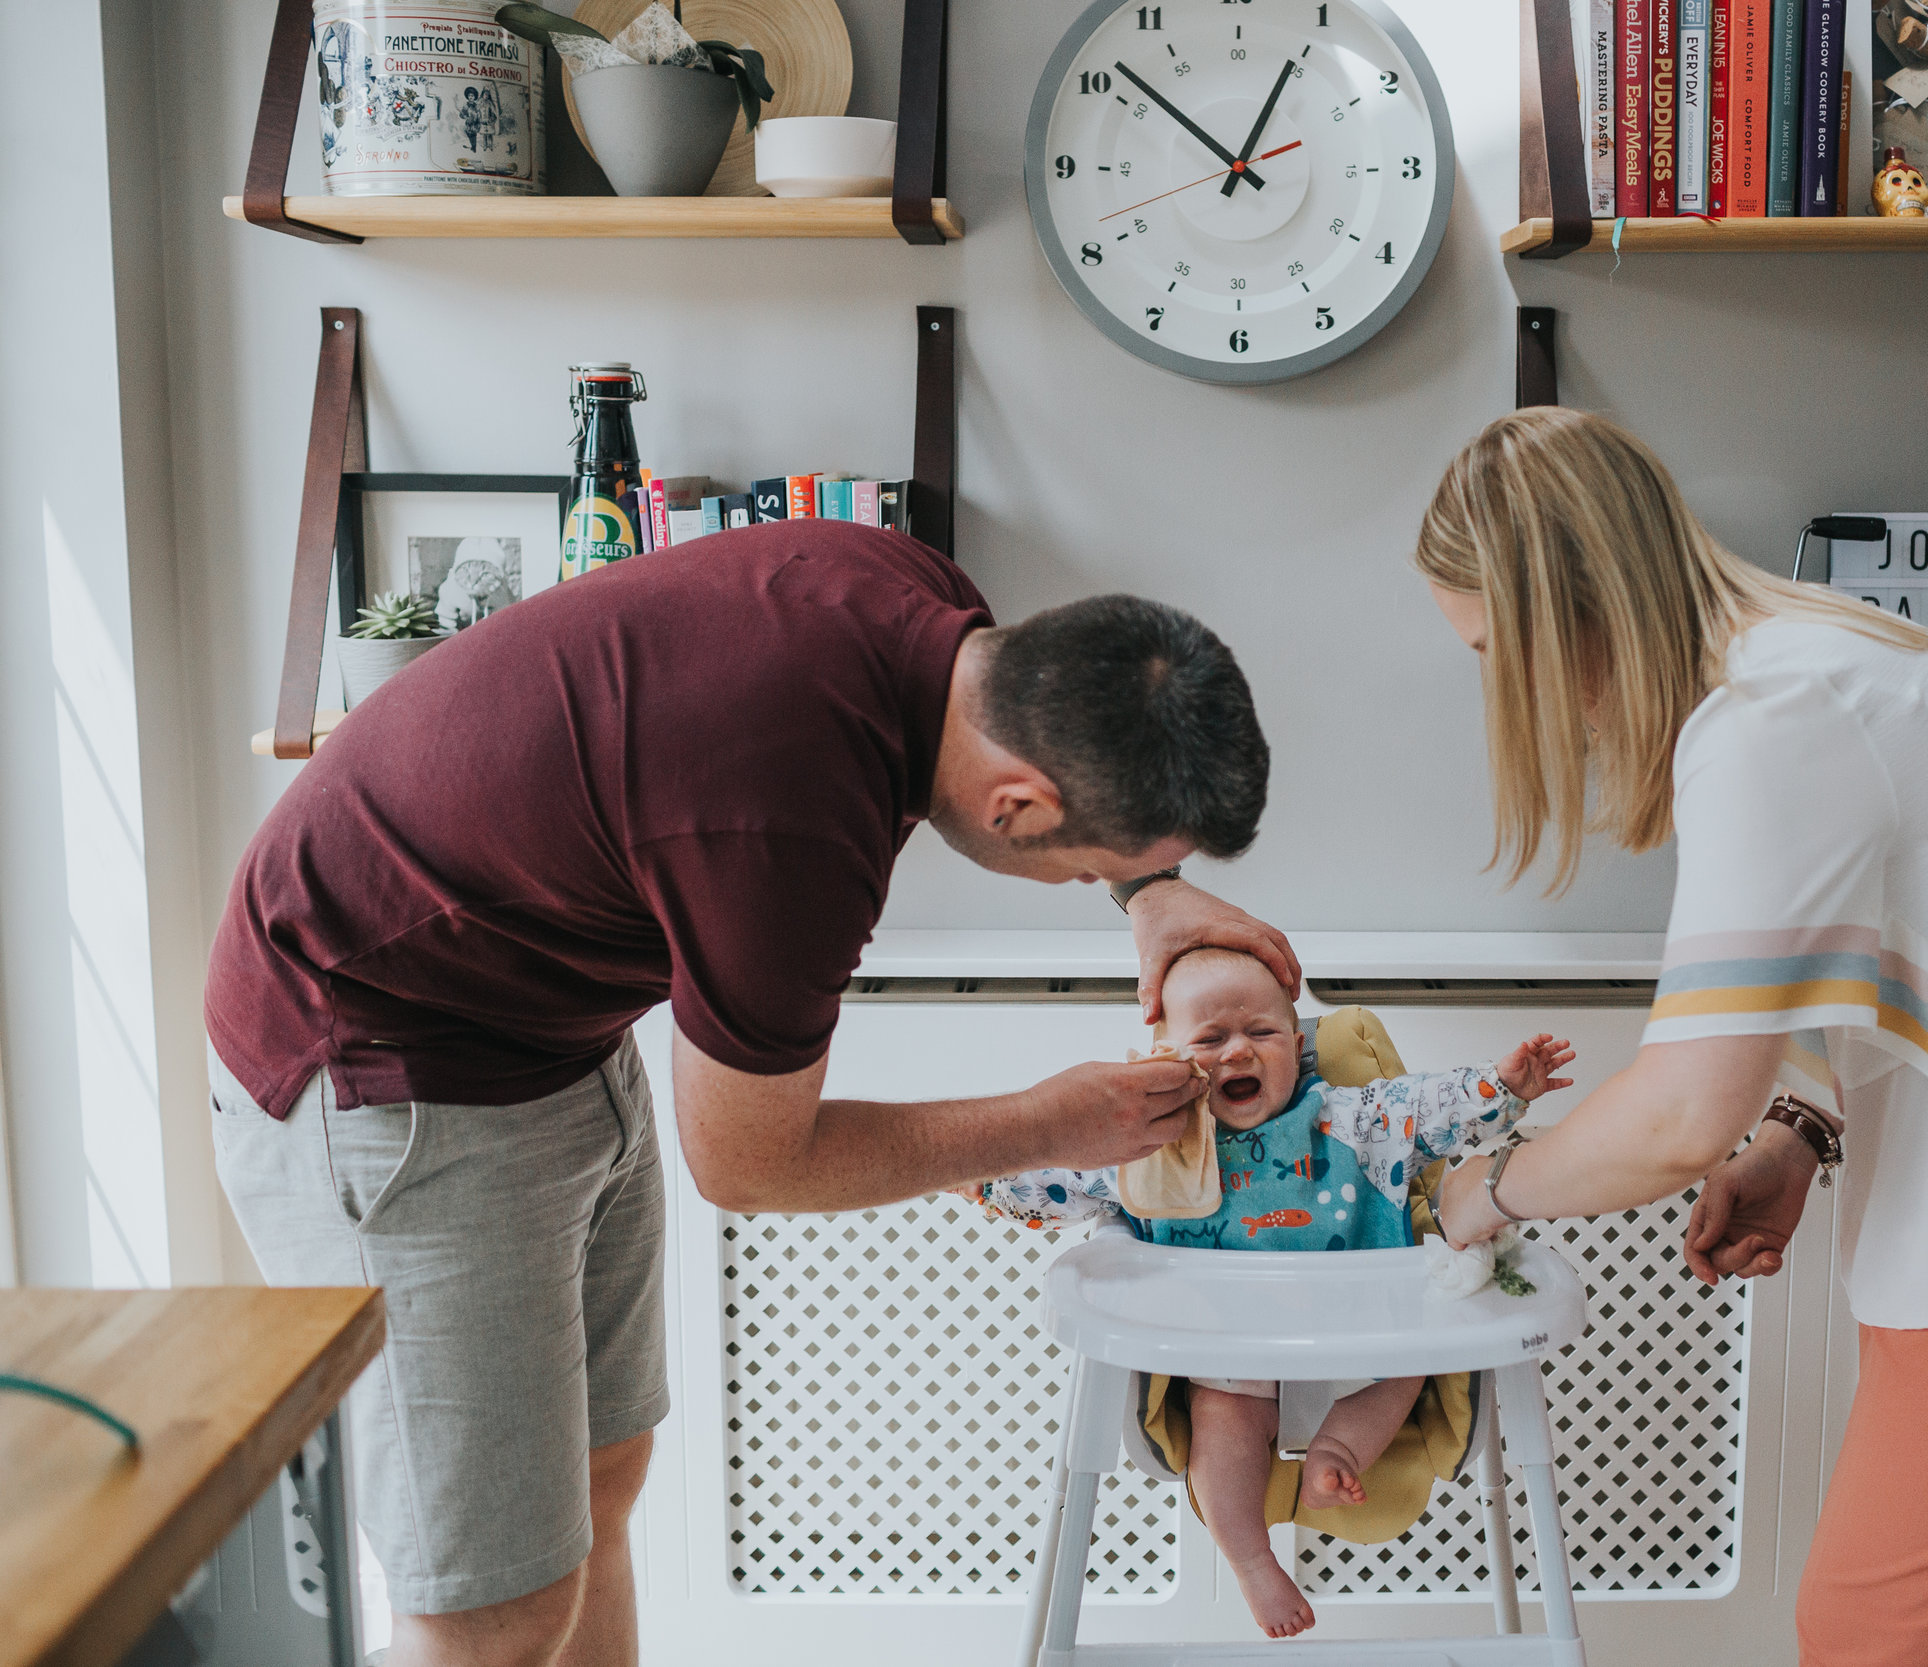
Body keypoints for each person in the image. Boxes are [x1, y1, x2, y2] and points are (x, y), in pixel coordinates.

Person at [205, 519, 1298, 1667]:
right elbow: (752, 1164)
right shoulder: (788, 829)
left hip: (535, 1024)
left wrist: (1150, 893)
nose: (1093, 881)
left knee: (598, 1478)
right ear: (1017, 804)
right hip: (377, 1059)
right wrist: (1051, 1120)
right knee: (487, 1605)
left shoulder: (928, 609)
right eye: (1086, 866)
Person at [1384, 408, 1928, 1667]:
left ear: (1565, 616)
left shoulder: (1774, 717)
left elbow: (1677, 1111)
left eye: (1491, 650)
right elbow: (1864, 949)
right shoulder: (1798, 663)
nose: (1496, 686)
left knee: (1881, 1633)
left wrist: (1483, 1191)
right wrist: (1796, 1133)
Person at [969, 947, 1575, 1640]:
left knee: (1411, 1368)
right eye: (1209, 1039)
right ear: (1167, 1060)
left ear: (1295, 1047)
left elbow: (1434, 1108)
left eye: (1259, 1033)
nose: (1237, 1050)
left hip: (1365, 1340)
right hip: (1231, 1358)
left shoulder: (1357, 1120)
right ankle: (1252, 1559)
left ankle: (1337, 1453)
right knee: (1219, 1431)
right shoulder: (1155, 1148)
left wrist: (1502, 1085)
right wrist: (986, 1178)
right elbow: (1065, 1178)